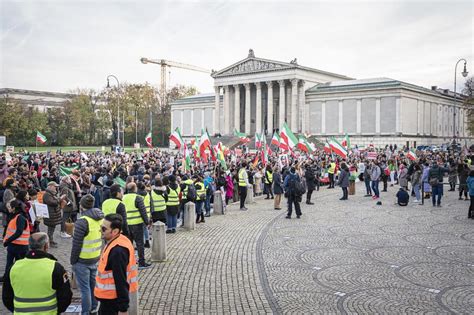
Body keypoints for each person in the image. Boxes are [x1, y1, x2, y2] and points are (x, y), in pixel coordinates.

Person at [2, 232, 73, 313]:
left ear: (29, 246)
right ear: (46, 246)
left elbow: (6, 297)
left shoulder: (13, 267)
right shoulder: (56, 268)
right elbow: (66, 296)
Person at [94, 214, 138, 315]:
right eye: (101, 226)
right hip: (108, 299)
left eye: (104, 228)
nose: (101, 230)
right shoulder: (118, 240)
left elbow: (121, 281)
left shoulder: (117, 251)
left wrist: (123, 309)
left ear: (115, 231)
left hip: (112, 301)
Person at [70, 194, 104, 315]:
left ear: (82, 206)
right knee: (93, 285)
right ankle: (94, 308)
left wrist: (73, 261)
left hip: (82, 260)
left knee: (85, 289)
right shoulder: (100, 218)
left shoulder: (82, 222)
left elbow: (76, 244)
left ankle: (85, 312)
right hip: (95, 257)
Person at [122, 182, 151, 269]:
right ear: (135, 189)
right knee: (139, 244)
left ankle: (130, 262)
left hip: (127, 224)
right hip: (137, 224)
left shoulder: (123, 197)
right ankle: (141, 262)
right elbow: (143, 211)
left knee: (129, 244)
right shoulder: (138, 198)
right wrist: (147, 222)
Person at [2, 199, 30, 283]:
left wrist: (7, 241)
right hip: (13, 245)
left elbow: (19, 232)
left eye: (9, 207)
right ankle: (6, 278)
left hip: (20, 246)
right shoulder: (15, 216)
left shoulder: (20, 217)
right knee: (9, 264)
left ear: (14, 208)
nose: (8, 209)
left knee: (19, 264)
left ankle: (18, 279)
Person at [43, 181, 66, 248]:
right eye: (55, 187)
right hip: (50, 214)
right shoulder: (47, 194)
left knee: (52, 229)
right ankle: (49, 241)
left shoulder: (52, 194)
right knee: (50, 229)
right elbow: (52, 202)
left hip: (53, 214)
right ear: (50, 186)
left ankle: (50, 240)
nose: (56, 188)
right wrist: (60, 199)